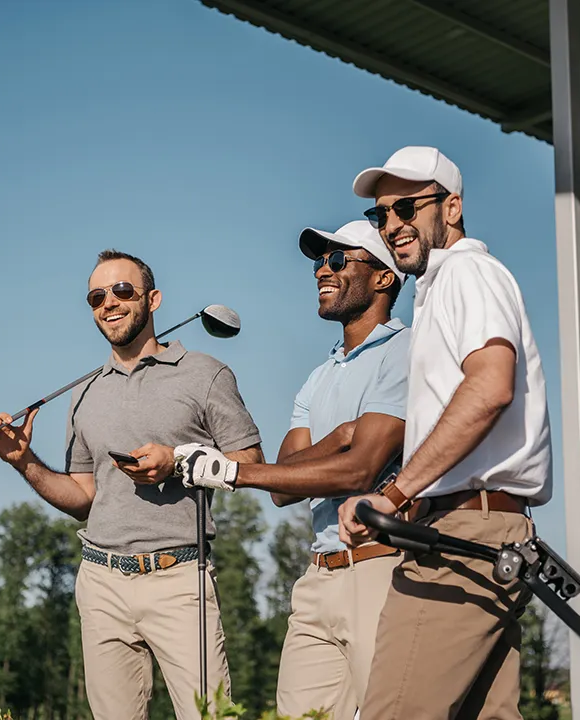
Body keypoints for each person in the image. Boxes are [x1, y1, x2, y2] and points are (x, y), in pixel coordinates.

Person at [0, 249, 264, 720]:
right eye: (96, 296)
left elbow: (249, 462)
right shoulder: (84, 392)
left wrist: (177, 462)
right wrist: (23, 460)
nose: (108, 303)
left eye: (122, 291)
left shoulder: (205, 373)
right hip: (100, 580)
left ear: (152, 299)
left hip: (179, 578)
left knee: (210, 716)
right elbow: (82, 498)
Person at [336, 146, 553, 720]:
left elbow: (489, 389)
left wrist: (392, 494)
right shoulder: (441, 286)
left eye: (407, 207)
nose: (393, 226)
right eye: (382, 216)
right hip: (485, 530)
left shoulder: (467, 272)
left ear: (451, 207)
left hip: (464, 532)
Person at [172, 220, 411, 719]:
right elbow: (285, 484)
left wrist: (233, 472)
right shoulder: (318, 377)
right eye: (319, 261)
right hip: (318, 577)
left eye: (339, 260)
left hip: (383, 570)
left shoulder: (407, 351)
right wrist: (340, 437)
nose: (323, 269)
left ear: (384, 277)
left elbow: (359, 471)